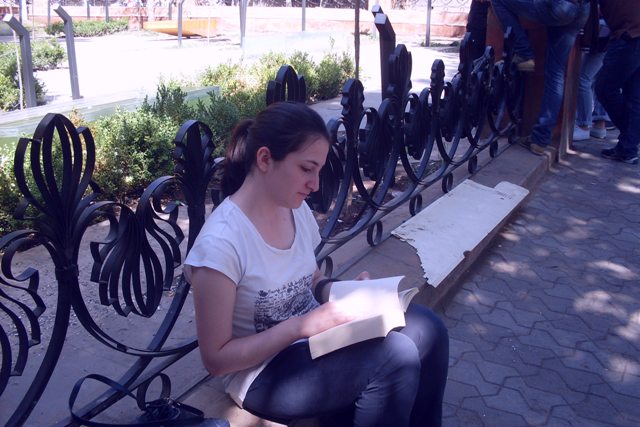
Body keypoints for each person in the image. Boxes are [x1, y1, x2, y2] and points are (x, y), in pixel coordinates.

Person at [184, 101, 450, 426]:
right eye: (306, 169)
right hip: (263, 372)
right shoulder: (220, 246)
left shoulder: (293, 209)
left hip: (315, 341)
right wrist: (301, 327)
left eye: (319, 170)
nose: (315, 184)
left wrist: (344, 293)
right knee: (395, 357)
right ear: (265, 159)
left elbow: (311, 280)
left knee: (428, 328)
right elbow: (216, 359)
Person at [491, 0, 590, 155]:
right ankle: (539, 141)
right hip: (582, 9)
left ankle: (524, 53)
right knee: (556, 75)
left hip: (561, 6)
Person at [595, 0, 640, 165]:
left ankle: (630, 139)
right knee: (633, 97)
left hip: (629, 35)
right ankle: (628, 148)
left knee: (605, 88)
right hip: (631, 33)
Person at [573, 16, 611, 141]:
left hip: (604, 32)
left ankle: (583, 125)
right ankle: (599, 124)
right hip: (613, 33)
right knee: (599, 79)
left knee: (584, 79)